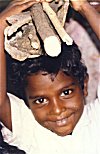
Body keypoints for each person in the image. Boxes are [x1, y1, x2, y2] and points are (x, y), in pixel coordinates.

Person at [0, 1, 100, 154]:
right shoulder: (29, 131)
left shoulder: (96, 120)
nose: (58, 110)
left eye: (66, 93)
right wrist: (1, 26)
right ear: (27, 102)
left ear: (84, 86)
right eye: (41, 100)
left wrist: (84, 8)